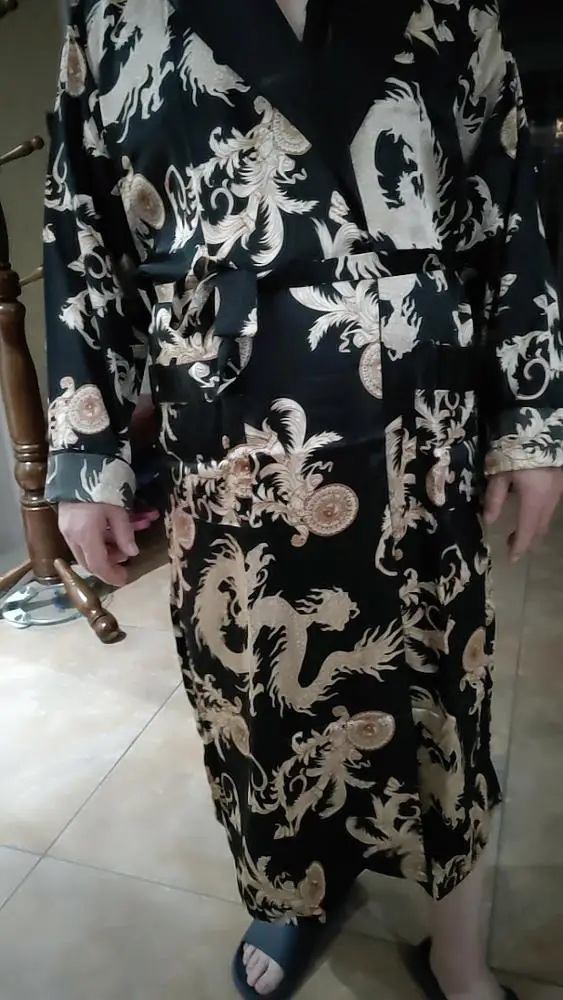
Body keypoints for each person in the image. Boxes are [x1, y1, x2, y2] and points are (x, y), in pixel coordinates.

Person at [44, 2, 563, 999]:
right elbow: (82, 231)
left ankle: (453, 940)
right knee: (261, 694)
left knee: (440, 687)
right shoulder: (110, 12)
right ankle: (294, 897)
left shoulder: (455, 6)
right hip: (231, 445)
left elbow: (507, 201)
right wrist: (87, 447)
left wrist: (531, 417)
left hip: (418, 427)